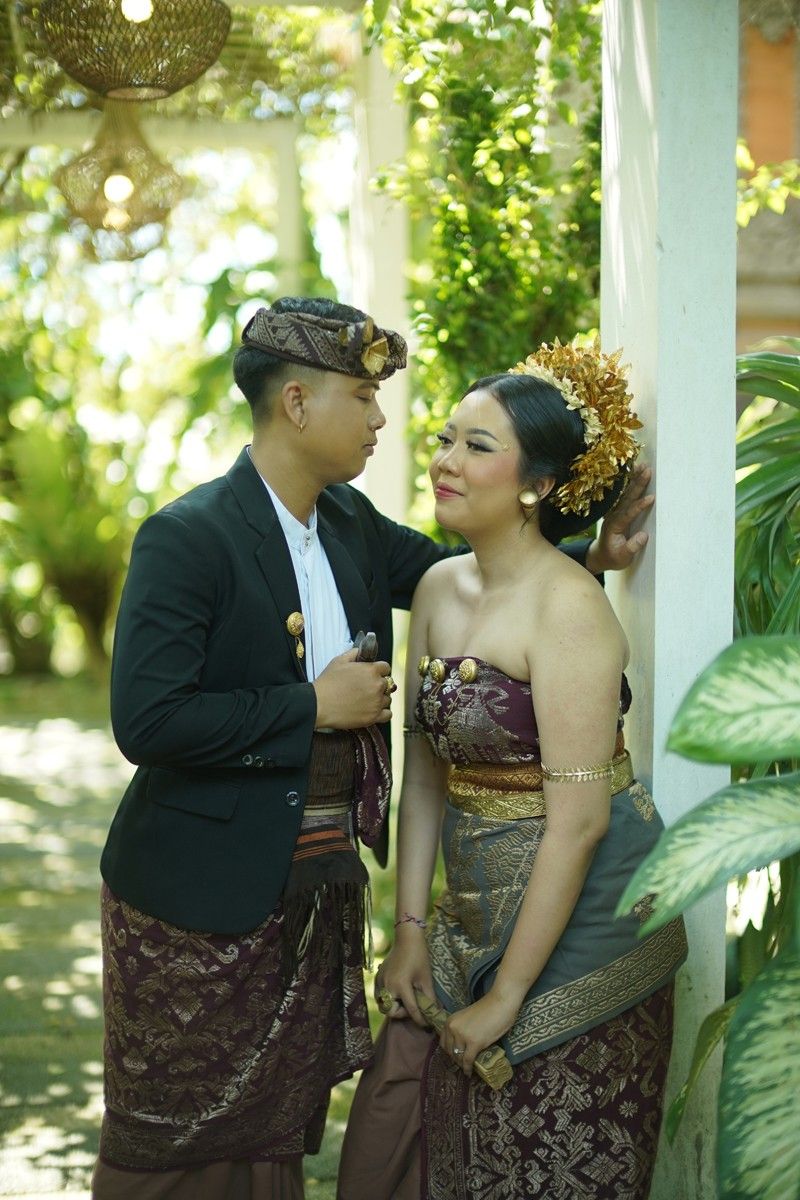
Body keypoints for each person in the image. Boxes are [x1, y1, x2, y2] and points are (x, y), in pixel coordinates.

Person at [91, 297, 654, 1200]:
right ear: (298, 404)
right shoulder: (188, 537)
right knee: (173, 1139)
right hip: (196, 893)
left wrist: (588, 556)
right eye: (362, 397)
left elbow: (486, 574)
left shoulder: (350, 522)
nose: (383, 421)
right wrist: (307, 707)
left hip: (309, 891)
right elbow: (146, 721)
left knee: (275, 1128)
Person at [338, 341, 689, 1200]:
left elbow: (581, 822)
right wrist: (409, 930)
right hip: (473, 906)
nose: (445, 461)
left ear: (537, 486)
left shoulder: (570, 609)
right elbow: (425, 776)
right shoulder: (437, 589)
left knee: (542, 1151)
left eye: (477, 446)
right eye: (446, 439)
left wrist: (510, 995)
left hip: (591, 919)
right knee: (394, 1125)